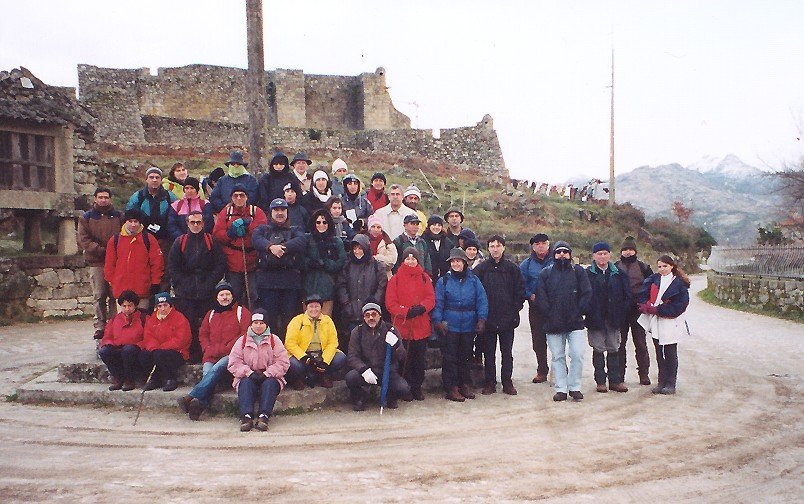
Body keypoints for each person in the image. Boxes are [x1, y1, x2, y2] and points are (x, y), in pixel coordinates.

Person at [178, 282, 251, 421]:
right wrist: (207, 348)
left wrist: (225, 348)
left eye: (228, 294)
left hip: (232, 355)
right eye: (221, 295)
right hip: (211, 355)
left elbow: (244, 334)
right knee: (207, 374)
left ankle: (191, 397)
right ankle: (199, 405)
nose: (225, 297)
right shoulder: (210, 314)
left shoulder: (242, 312)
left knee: (216, 370)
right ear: (217, 297)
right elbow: (203, 334)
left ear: (232, 296)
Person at [167, 210, 227, 363]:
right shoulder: (180, 242)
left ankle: (207, 353)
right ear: (187, 223)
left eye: (198, 222)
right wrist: (183, 283)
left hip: (207, 288)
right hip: (186, 291)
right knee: (188, 323)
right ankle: (191, 354)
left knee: (208, 324)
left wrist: (210, 282)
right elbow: (172, 266)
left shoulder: (211, 241)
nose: (195, 225)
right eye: (192, 222)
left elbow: (220, 265)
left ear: (203, 223)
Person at [536, 241, 592, 402]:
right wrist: (549, 314)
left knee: (577, 354)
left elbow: (586, 293)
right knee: (557, 356)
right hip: (553, 322)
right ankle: (561, 388)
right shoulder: (545, 274)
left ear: (570, 254)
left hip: (575, 322)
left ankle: (575, 386)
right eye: (558, 252)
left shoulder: (579, 272)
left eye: (565, 252)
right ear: (554, 254)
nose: (562, 254)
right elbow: (541, 297)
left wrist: (579, 311)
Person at [432, 248, 488, 402]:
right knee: (450, 358)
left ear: (464, 263)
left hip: (468, 325)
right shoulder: (443, 281)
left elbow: (481, 300)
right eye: (453, 261)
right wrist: (438, 321)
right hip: (450, 325)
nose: (455, 264)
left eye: (458, 261)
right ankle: (451, 387)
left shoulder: (474, 280)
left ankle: (464, 384)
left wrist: (482, 319)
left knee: (465, 357)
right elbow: (438, 303)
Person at [474, 235, 526, 395]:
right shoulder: (482, 269)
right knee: (489, 353)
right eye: (491, 246)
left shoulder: (512, 268)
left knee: (507, 353)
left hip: (507, 319)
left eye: (498, 246)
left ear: (503, 247)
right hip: (488, 318)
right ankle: (490, 382)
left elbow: (520, 292)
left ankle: (507, 381)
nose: (495, 249)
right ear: (487, 249)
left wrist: (514, 311)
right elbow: (475, 291)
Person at [251, 198, 308, 340]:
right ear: (270, 212)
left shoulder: (296, 230)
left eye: (283, 210)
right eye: (276, 210)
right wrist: (271, 247)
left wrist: (282, 248)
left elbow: (302, 241)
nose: (280, 213)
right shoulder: (262, 229)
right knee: (269, 319)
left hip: (289, 282)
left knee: (289, 320)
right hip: (267, 282)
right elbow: (255, 240)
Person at [385, 247, 435, 401]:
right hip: (403, 326)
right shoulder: (395, 279)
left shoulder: (424, 277)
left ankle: (417, 387)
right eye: (408, 259)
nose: (411, 261)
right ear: (403, 260)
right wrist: (405, 311)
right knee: (403, 359)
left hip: (420, 326)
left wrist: (422, 308)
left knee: (419, 360)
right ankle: (404, 387)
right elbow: (390, 303)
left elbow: (431, 298)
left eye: (413, 259)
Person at [227, 309, 290, 431]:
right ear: (251, 324)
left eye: (261, 323)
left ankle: (264, 416)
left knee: (270, 384)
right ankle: (246, 416)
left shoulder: (274, 340)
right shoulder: (242, 341)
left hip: (269, 375)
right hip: (248, 374)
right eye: (255, 323)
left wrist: (267, 373)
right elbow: (234, 362)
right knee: (245, 383)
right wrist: (248, 372)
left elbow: (283, 362)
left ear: (266, 324)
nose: (258, 326)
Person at [637, 255, 690, 395]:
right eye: (659, 266)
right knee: (659, 352)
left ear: (671, 266)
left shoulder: (679, 283)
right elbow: (643, 295)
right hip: (656, 321)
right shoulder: (653, 280)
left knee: (670, 352)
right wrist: (645, 306)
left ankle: (671, 382)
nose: (662, 269)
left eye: (665, 266)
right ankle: (661, 381)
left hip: (670, 322)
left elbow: (680, 305)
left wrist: (659, 310)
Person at [585, 242, 631, 393]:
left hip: (614, 318)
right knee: (598, 349)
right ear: (594, 256)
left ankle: (615, 381)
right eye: (599, 254)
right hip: (595, 318)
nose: (602, 256)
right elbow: (583, 295)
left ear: (610, 255)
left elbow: (627, 296)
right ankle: (600, 381)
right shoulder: (587, 274)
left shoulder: (619, 273)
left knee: (613, 348)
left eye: (605, 253)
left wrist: (621, 313)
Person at [346, 302, 409, 411]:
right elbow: (352, 356)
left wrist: (396, 345)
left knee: (403, 388)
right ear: (363, 318)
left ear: (380, 315)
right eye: (367, 315)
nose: (371, 318)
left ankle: (390, 396)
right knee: (350, 377)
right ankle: (360, 397)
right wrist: (364, 369)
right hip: (367, 370)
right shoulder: (357, 331)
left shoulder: (391, 330)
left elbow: (402, 356)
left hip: (387, 371)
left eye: (374, 314)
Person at [77, 187, 122, 340]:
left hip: (116, 262)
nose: (103, 200)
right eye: (100, 197)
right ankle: (100, 326)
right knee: (99, 295)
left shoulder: (118, 216)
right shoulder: (86, 217)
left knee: (115, 295)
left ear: (110, 199)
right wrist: (101, 250)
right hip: (97, 261)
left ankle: (115, 324)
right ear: (95, 199)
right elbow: (84, 239)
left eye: (106, 197)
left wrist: (115, 251)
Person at [212, 185, 267, 308]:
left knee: (253, 294)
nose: (238, 198)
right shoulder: (226, 213)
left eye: (241, 195)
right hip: (233, 261)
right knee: (235, 293)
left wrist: (249, 226)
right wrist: (230, 234)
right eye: (235, 196)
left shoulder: (256, 212)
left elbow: (264, 230)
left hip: (252, 260)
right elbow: (217, 234)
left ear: (247, 197)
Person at [104, 209, 164, 310]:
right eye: (130, 221)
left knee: (141, 320)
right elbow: (109, 264)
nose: (133, 224)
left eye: (136, 221)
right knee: (123, 322)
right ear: (125, 222)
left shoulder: (148, 239)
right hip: (121, 290)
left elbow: (157, 263)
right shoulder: (115, 240)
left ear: (140, 223)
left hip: (142, 290)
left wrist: (155, 282)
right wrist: (112, 282)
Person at [335, 234, 388, 348]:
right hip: (352, 313)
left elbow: (381, 285)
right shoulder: (347, 265)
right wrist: (347, 304)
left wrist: (373, 304)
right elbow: (341, 285)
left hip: (371, 313)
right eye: (355, 248)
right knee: (353, 344)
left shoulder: (376, 266)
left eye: (360, 248)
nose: (357, 251)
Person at [284, 295, 347, 389]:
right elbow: (290, 343)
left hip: (321, 353)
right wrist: (304, 357)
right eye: (311, 306)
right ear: (306, 308)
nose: (314, 309)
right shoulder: (297, 320)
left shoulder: (327, 320)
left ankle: (324, 375)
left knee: (341, 358)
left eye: (317, 306)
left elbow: (333, 343)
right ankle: (299, 378)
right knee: (293, 364)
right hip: (303, 355)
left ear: (321, 307)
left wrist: (325, 361)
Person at [615, 236, 654, 385]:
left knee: (640, 343)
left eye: (630, 249)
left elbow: (652, 287)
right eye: (625, 249)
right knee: (620, 343)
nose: (628, 252)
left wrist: (646, 304)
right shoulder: (615, 266)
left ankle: (644, 374)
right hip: (621, 310)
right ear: (621, 251)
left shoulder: (644, 267)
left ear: (635, 251)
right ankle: (619, 374)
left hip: (638, 310)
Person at [126, 166, 177, 280]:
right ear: (146, 179)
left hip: (165, 241)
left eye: (157, 177)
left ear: (161, 179)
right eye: (151, 177)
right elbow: (129, 216)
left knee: (165, 270)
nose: (154, 180)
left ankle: (163, 296)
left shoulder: (170, 197)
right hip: (143, 240)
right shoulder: (137, 197)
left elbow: (176, 216)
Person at [139, 292, 192, 392]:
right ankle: (155, 379)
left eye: (165, 305)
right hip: (157, 350)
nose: (163, 308)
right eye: (160, 306)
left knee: (160, 355)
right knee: (144, 355)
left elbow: (181, 339)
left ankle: (171, 379)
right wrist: (154, 347)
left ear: (170, 305)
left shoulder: (179, 318)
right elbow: (148, 336)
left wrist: (162, 347)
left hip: (177, 351)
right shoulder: (152, 319)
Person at [519, 233, 553, 383]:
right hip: (536, 307)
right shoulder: (526, 264)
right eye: (537, 244)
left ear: (548, 244)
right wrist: (529, 295)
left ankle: (559, 369)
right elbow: (521, 284)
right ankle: (542, 369)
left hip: (555, 307)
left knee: (557, 339)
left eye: (543, 243)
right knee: (538, 340)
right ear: (533, 246)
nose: (540, 246)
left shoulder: (557, 260)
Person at [98, 290, 145, 391]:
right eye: (124, 306)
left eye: (130, 306)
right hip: (117, 347)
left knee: (128, 351)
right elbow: (107, 336)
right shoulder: (115, 319)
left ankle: (129, 379)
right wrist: (110, 344)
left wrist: (138, 345)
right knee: (104, 352)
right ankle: (118, 378)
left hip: (134, 349)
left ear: (135, 306)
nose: (127, 309)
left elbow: (148, 337)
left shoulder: (143, 318)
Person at [303, 208, 346, 316]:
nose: (321, 225)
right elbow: (300, 259)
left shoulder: (336, 241)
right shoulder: (307, 239)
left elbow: (340, 262)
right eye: (318, 222)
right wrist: (311, 263)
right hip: (309, 287)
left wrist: (325, 263)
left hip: (327, 287)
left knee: (326, 321)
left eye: (324, 222)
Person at [209, 150, 259, 215]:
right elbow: (214, 197)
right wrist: (224, 207)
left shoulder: (251, 180)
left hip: (246, 213)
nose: (235, 166)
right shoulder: (222, 180)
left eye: (238, 164)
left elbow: (253, 197)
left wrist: (239, 205)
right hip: (225, 214)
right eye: (233, 164)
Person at [422, 215, 454, 284]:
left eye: (439, 225)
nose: (436, 227)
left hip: (445, 279)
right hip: (427, 279)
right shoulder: (422, 240)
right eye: (434, 225)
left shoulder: (447, 241)